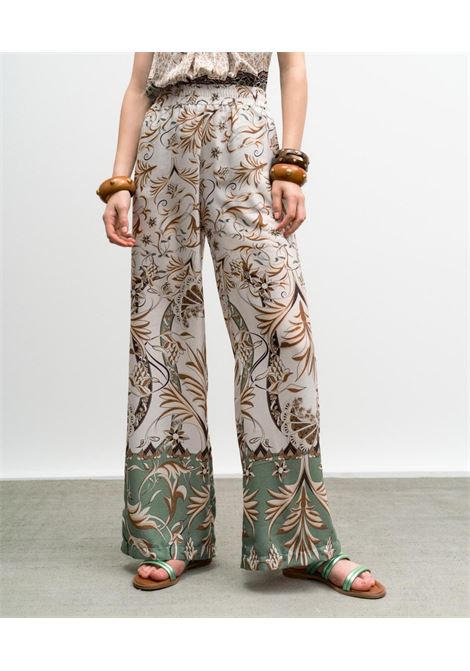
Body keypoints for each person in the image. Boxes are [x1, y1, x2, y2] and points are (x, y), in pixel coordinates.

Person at [97, 52, 386, 599]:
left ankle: (300, 540)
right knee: (163, 331)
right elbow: (138, 84)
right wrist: (119, 180)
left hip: (246, 141)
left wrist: (290, 163)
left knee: (283, 332)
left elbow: (293, 67)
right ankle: (172, 533)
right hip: (163, 146)